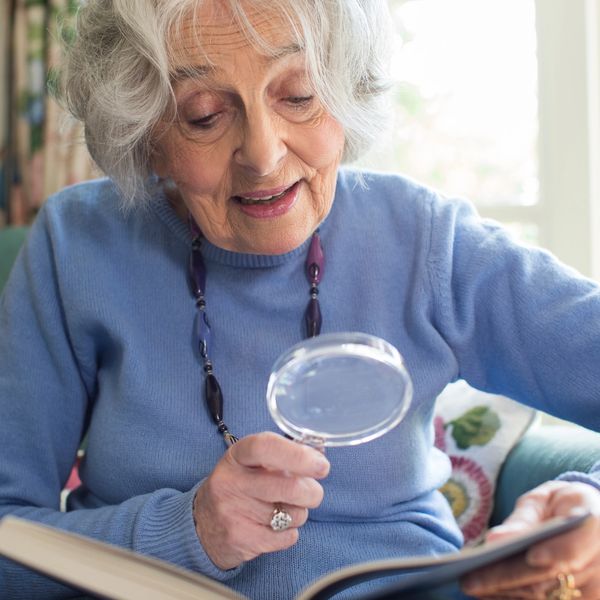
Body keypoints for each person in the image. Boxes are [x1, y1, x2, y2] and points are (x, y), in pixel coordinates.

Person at [0, 0, 599, 598]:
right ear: (146, 132)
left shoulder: (425, 240)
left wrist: (591, 505)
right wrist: (191, 531)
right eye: (203, 115)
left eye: (299, 95)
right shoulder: (75, 245)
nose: (263, 154)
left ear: (344, 95)